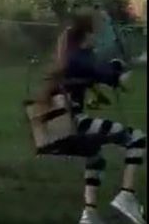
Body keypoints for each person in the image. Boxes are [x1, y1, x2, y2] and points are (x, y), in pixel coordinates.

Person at [40, 12, 145, 224]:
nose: (96, 39)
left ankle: (89, 214)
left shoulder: (69, 57)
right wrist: (122, 67)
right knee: (137, 138)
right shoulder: (80, 58)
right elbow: (115, 78)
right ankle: (127, 195)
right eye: (94, 34)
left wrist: (115, 67)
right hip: (73, 124)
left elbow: (99, 74)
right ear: (85, 35)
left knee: (95, 157)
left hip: (51, 130)